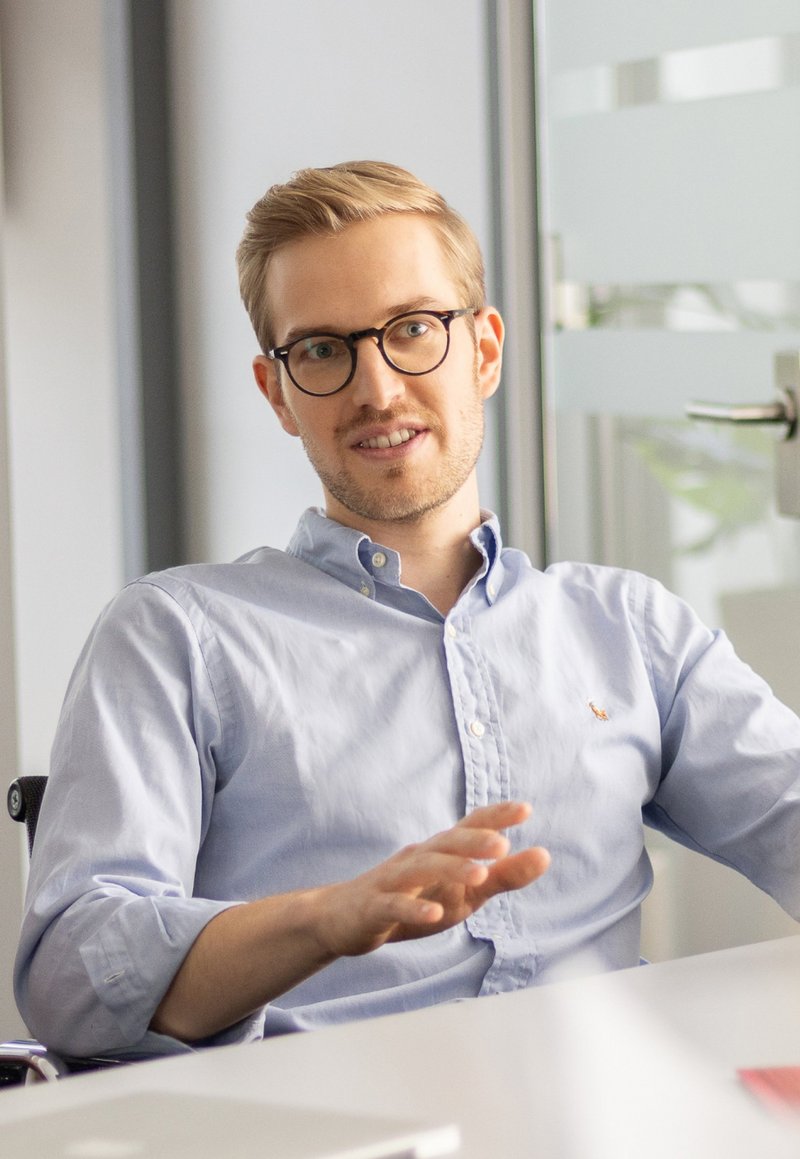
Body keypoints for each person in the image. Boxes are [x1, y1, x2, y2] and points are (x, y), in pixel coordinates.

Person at [14, 161, 800, 1061]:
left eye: (414, 329)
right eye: (321, 349)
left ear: (486, 350)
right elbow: (72, 980)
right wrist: (322, 919)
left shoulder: (633, 630)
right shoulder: (176, 635)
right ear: (277, 393)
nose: (377, 389)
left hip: (609, 1115)